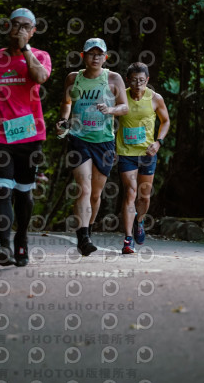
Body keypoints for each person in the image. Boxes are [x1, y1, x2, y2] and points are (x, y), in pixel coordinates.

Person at [0, 7, 52, 267]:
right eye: (15, 25)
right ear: (7, 27)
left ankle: (22, 239)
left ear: (33, 31)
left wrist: (25, 49)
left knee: (23, 193)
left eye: (25, 26)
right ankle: (4, 246)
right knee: (2, 189)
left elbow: (40, 77)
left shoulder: (40, 56)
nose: (19, 30)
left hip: (30, 135)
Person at [56, 38, 128, 256]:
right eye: (91, 54)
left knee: (95, 195)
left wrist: (110, 110)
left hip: (104, 141)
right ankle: (83, 237)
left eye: (99, 54)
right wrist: (63, 121)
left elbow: (124, 107)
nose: (95, 58)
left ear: (105, 57)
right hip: (79, 138)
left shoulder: (113, 78)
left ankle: (87, 229)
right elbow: (66, 103)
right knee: (84, 189)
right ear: (83, 56)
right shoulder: (73, 78)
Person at [116, 62, 170, 254]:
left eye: (141, 80)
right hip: (126, 153)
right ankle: (128, 239)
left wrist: (158, 142)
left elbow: (165, 121)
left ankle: (139, 221)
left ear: (147, 80)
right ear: (127, 80)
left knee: (144, 196)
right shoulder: (121, 97)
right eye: (134, 80)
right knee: (130, 193)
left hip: (147, 153)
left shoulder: (155, 98)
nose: (138, 84)